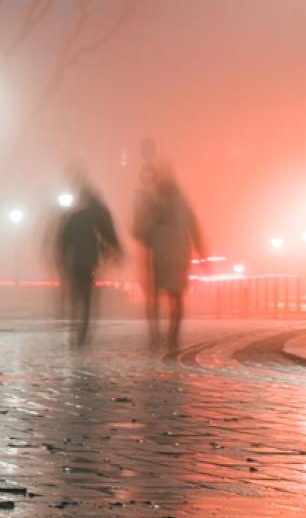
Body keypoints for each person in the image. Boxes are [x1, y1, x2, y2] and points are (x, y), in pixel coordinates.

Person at [129, 141, 203, 358]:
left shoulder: (152, 200)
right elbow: (193, 224)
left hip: (159, 255)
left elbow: (139, 229)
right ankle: (172, 336)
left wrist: (144, 233)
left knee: (155, 298)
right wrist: (200, 249)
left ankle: (155, 335)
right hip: (178, 254)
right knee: (175, 296)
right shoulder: (180, 200)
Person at [50, 172, 120, 348]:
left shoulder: (74, 217)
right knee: (86, 298)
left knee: (76, 296)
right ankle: (83, 330)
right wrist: (113, 249)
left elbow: (63, 239)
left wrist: (61, 258)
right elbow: (107, 234)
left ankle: (78, 329)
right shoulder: (94, 216)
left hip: (75, 262)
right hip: (89, 261)